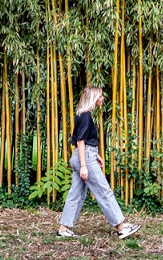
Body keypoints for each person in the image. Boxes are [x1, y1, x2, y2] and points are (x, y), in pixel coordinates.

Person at [57, 86, 141, 240]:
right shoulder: (86, 116)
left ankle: (63, 229)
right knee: (104, 191)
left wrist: (96, 155)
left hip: (83, 156)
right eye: (100, 96)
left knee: (76, 194)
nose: (102, 99)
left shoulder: (81, 115)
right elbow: (81, 141)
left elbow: (82, 140)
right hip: (84, 158)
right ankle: (121, 228)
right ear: (93, 99)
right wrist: (84, 164)